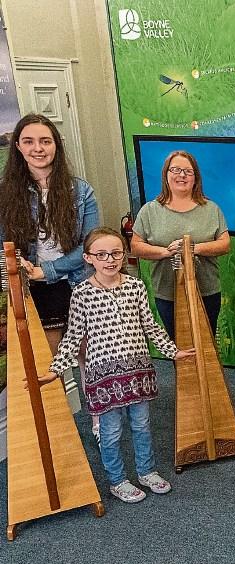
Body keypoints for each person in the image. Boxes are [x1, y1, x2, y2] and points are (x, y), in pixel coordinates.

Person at [37, 227, 195, 503]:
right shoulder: (82, 294)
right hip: (104, 378)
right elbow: (73, 336)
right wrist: (56, 369)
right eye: (101, 254)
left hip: (138, 372)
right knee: (110, 432)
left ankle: (147, 471)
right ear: (88, 258)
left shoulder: (136, 286)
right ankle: (117, 480)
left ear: (124, 255)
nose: (109, 260)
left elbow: (150, 325)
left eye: (115, 253)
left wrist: (173, 351)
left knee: (142, 426)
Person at [0, 113, 100, 437]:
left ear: (56, 145)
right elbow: (3, 245)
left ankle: (99, 422)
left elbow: (91, 245)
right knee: (48, 363)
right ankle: (56, 433)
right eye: (29, 141)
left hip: (78, 281)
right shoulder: (5, 193)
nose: (38, 148)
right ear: (18, 146)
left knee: (89, 355)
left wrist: (48, 270)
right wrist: (20, 264)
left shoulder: (81, 191)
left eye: (45, 141)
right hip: (33, 290)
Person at [131, 150, 230, 338]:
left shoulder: (211, 209)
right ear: (166, 175)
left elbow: (225, 244)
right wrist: (165, 252)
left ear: (196, 177)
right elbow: (136, 246)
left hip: (207, 291)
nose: (182, 175)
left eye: (188, 171)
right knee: (177, 344)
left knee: (207, 342)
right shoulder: (149, 211)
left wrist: (193, 249)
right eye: (175, 170)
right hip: (167, 293)